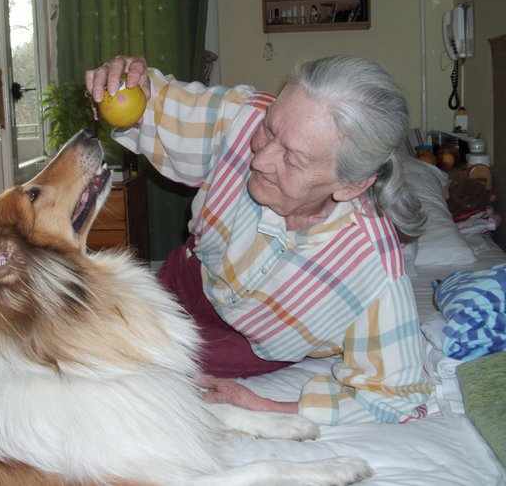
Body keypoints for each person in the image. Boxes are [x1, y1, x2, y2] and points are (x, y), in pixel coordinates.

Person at [85, 55, 432, 426]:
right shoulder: (243, 116)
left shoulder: (373, 270)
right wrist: (125, 84)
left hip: (241, 345)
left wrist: (267, 406)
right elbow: (158, 105)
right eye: (269, 129)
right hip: (181, 283)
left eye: (292, 159)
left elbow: (395, 395)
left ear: (351, 186)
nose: (260, 160)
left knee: (106, 386)